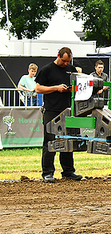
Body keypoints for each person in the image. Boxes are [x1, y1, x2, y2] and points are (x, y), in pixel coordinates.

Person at [35, 47, 83, 183]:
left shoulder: (72, 69)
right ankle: (47, 172)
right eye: (64, 61)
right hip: (51, 110)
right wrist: (56, 88)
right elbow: (38, 88)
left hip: (68, 110)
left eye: (68, 61)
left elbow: (78, 86)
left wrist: (72, 89)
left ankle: (68, 171)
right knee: (50, 141)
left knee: (68, 140)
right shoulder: (47, 70)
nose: (66, 64)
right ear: (58, 56)